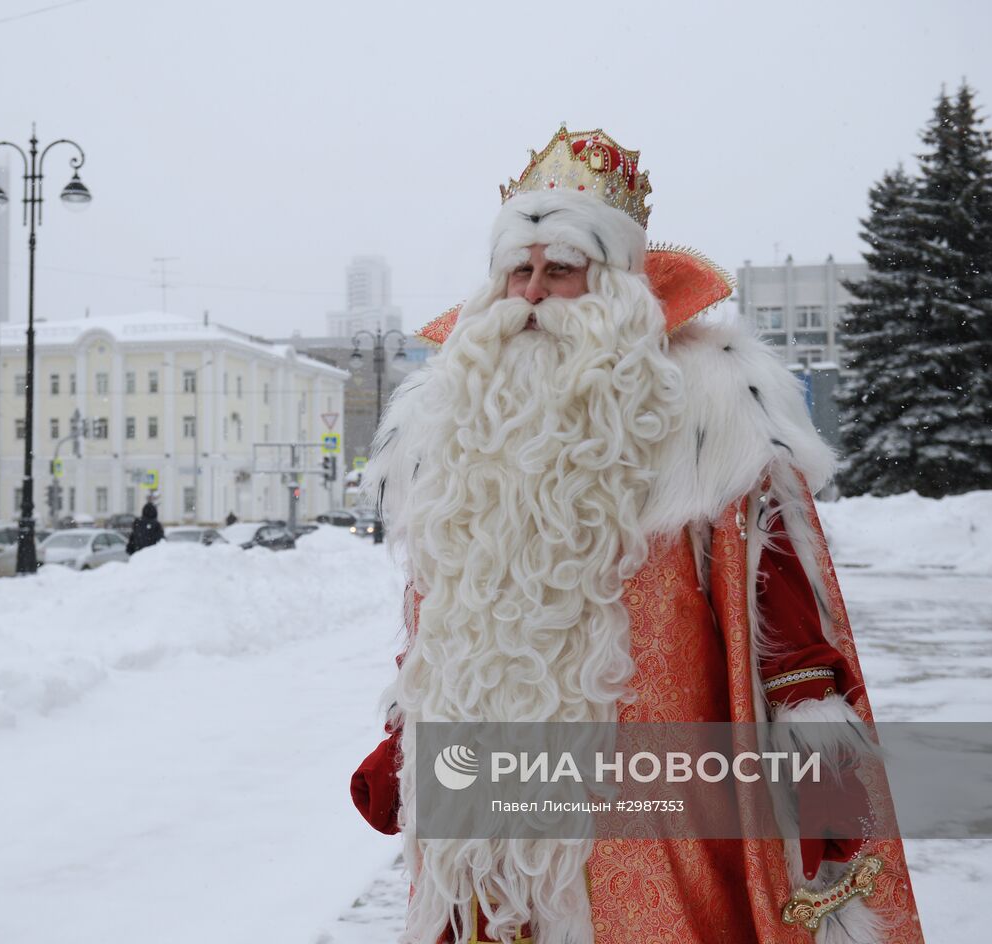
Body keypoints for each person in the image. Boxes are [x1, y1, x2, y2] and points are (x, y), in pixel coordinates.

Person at [350, 127, 924, 944]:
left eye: (561, 270)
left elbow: (786, 628)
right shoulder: (456, 432)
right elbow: (445, 619)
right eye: (519, 270)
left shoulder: (711, 420)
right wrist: (404, 740)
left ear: (616, 283)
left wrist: (822, 774)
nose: (534, 294)